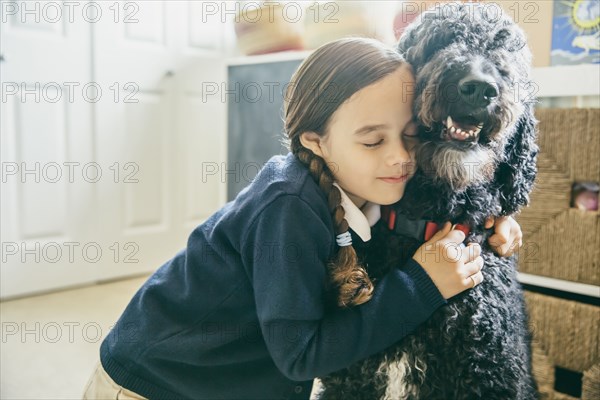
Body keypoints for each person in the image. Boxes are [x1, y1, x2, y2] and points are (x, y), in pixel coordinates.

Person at [82, 37, 522, 400]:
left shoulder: (368, 182)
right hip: (152, 384)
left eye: (410, 136)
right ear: (316, 141)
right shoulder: (287, 207)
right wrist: (421, 284)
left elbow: (434, 200)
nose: (400, 157)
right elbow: (301, 355)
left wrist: (491, 219)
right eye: (372, 142)